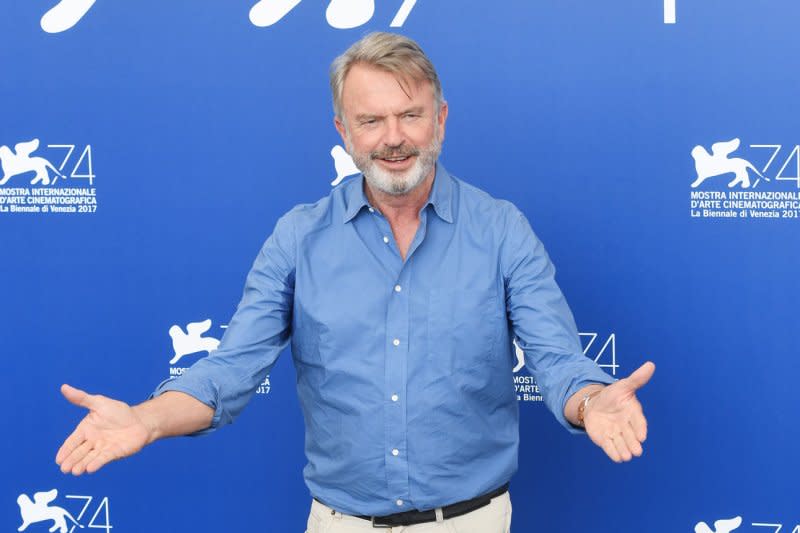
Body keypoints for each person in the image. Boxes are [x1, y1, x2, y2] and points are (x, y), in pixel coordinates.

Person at [55, 32, 655, 532]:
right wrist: (145, 419)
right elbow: (229, 371)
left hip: (471, 521)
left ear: (439, 119)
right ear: (344, 131)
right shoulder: (298, 237)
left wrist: (591, 401)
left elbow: (557, 362)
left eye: (410, 115)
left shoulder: (501, 231)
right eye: (371, 120)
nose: (393, 137)